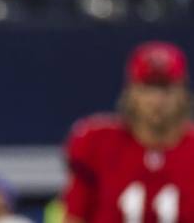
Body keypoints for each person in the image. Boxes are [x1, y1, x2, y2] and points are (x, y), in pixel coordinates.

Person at [62, 41, 194, 223]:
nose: (157, 100)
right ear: (131, 92)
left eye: (166, 88)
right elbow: (75, 217)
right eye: (148, 87)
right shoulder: (96, 143)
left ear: (183, 93)